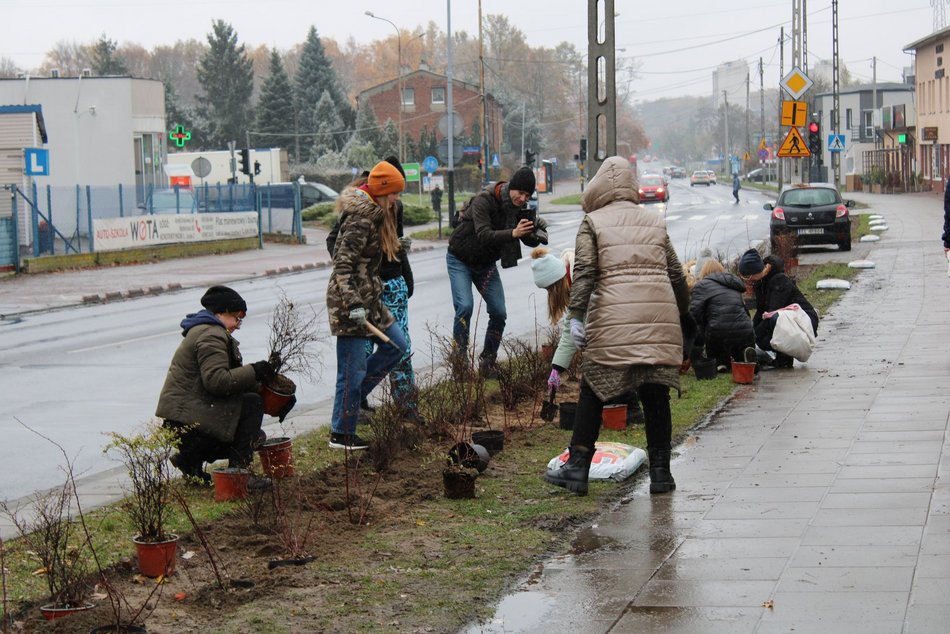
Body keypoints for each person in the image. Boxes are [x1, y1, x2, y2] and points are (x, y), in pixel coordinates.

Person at [542, 156, 691, 497]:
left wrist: (577, 315)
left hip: (612, 322)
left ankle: (577, 469)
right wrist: (684, 315)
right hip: (657, 322)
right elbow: (676, 274)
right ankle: (661, 473)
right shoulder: (654, 221)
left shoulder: (593, 222)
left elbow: (584, 275)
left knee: (594, 390)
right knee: (655, 395)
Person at [157, 285, 293, 485]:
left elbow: (231, 382)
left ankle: (190, 460)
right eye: (237, 318)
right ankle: (240, 473)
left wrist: (274, 394)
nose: (238, 325)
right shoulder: (211, 335)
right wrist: (255, 371)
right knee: (252, 406)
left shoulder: (208, 331)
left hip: (184, 421)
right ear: (220, 313)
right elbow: (218, 382)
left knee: (256, 429)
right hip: (188, 425)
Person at [327, 158, 419, 422]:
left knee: (398, 346)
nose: (397, 199)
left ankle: (352, 401)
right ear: (383, 189)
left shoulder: (381, 212)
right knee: (351, 370)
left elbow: (375, 255)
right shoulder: (361, 218)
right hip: (353, 301)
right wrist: (353, 302)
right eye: (395, 193)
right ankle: (344, 423)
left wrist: (401, 260)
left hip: (372, 297)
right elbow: (342, 264)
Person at [446, 166, 549, 375]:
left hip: (485, 264)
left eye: (527, 195)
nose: (522, 198)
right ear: (511, 187)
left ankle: (488, 362)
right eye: (520, 192)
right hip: (460, 259)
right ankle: (459, 365)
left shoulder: (519, 210)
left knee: (499, 312)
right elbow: (484, 234)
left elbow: (525, 239)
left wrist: (536, 231)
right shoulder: (485, 200)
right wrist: (514, 232)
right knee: (465, 306)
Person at [531, 247, 644, 425]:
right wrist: (557, 368)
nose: (550, 295)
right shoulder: (571, 283)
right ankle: (619, 408)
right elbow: (571, 328)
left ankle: (632, 411)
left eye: (549, 289)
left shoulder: (586, 279)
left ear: (556, 283)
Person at [737, 248, 819, 369]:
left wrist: (755, 335)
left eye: (748, 277)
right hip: (785, 320)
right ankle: (782, 358)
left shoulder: (779, 280)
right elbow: (761, 311)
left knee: (775, 321)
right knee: (763, 338)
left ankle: (784, 358)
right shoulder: (760, 284)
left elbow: (772, 312)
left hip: (803, 320)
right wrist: (751, 332)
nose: (748, 282)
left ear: (756, 272)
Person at [689, 259, 755, 371]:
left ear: (703, 272)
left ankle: (720, 362)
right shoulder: (733, 284)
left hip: (718, 332)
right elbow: (744, 309)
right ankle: (743, 357)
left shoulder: (701, 286)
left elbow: (694, 315)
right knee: (738, 345)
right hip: (744, 330)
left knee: (715, 332)